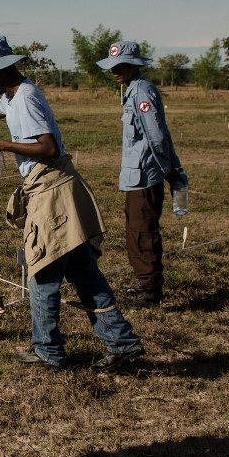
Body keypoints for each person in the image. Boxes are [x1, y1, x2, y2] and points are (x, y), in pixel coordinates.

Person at [0, 36, 143, 373]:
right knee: (83, 272)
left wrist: (4, 146)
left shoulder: (25, 98)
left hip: (52, 191)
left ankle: (49, 351)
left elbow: (48, 148)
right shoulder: (12, 96)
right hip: (54, 189)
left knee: (42, 272)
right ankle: (122, 343)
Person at [96, 41, 185, 306]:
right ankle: (145, 283)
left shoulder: (141, 93)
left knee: (141, 231)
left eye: (121, 65)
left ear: (134, 65)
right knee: (136, 229)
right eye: (112, 66)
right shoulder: (133, 89)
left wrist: (168, 169)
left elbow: (157, 137)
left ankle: (149, 288)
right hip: (137, 175)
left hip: (145, 175)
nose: (115, 71)